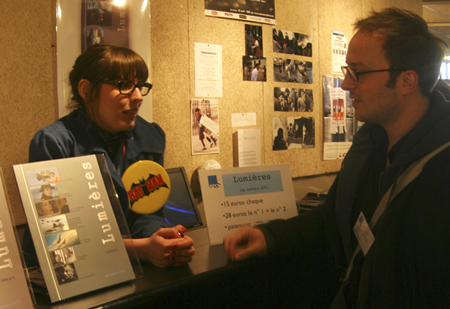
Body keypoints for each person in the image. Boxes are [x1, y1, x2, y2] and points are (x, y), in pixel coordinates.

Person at [224, 8, 450, 308]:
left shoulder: (441, 166)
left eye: (358, 71)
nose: (345, 84)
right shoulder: (368, 142)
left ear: (407, 81)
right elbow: (332, 218)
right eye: (346, 70)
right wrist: (269, 236)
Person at [22, 44, 195, 268]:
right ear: (85, 89)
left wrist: (161, 237)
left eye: (140, 86)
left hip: (131, 271)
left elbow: (145, 212)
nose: (137, 97)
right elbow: (57, 239)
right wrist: (140, 250)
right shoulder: (53, 143)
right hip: (68, 276)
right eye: (123, 85)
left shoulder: (149, 136)